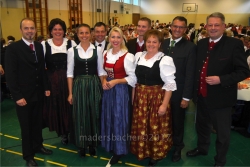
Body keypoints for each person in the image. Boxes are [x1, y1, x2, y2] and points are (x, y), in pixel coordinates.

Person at [186, 12, 250, 167]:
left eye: (217, 25)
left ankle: (220, 160)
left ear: (223, 26)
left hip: (222, 98)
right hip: (201, 96)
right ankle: (202, 149)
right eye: (210, 25)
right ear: (206, 26)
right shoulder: (201, 43)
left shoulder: (233, 44)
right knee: (202, 126)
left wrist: (221, 79)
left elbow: (243, 71)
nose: (213, 28)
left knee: (222, 133)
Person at [5, 18, 53, 167]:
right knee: (26, 127)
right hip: (23, 96)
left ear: (35, 30)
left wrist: (46, 87)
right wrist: (17, 96)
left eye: (32, 28)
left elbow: (41, 69)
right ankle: (28, 155)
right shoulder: (13, 49)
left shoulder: (39, 46)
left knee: (37, 123)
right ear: (21, 30)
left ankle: (38, 146)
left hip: (38, 94)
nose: (29, 31)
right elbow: (11, 75)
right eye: (26, 28)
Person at [130, 29, 176, 167]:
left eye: (154, 42)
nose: (151, 44)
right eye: (149, 41)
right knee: (141, 125)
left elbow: (170, 84)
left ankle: (155, 154)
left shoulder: (164, 59)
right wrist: (133, 97)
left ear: (160, 43)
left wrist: (164, 105)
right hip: (140, 96)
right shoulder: (139, 56)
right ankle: (142, 150)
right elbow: (134, 80)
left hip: (156, 97)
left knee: (154, 126)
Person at [162, 16, 196, 162]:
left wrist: (186, 97)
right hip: (161, 91)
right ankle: (163, 144)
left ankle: (177, 147)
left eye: (181, 27)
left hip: (178, 92)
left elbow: (190, 74)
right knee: (162, 120)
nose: (177, 29)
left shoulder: (190, 48)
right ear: (171, 26)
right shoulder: (161, 44)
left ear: (185, 29)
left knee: (177, 121)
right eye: (175, 26)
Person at [67, 23, 104, 157]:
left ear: (91, 34)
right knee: (80, 115)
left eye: (86, 32)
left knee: (94, 114)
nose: (84, 35)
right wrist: (70, 93)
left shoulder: (97, 50)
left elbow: (100, 71)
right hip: (79, 85)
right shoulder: (72, 51)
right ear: (77, 35)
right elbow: (70, 73)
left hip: (94, 84)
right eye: (81, 33)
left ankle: (93, 144)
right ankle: (82, 145)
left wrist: (102, 89)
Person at [101, 27, 136, 167]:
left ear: (122, 39)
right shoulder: (105, 53)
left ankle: (120, 149)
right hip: (108, 89)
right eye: (113, 37)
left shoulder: (127, 56)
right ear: (109, 38)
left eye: (118, 37)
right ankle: (110, 144)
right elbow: (101, 71)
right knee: (108, 116)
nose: (115, 40)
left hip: (120, 90)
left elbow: (133, 78)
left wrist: (115, 81)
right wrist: (104, 80)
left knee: (118, 118)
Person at [41, 18, 77, 145]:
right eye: (55, 29)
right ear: (51, 31)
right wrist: (46, 86)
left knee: (70, 106)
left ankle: (72, 130)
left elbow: (76, 63)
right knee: (58, 108)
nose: (57, 31)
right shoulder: (44, 45)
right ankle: (63, 133)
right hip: (53, 83)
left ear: (64, 31)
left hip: (68, 81)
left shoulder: (71, 44)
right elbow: (41, 68)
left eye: (60, 29)